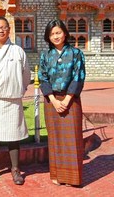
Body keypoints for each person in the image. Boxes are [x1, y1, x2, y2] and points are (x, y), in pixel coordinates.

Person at [0, 16, 31, 185]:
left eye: (4, 27)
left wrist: (20, 89)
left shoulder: (18, 51)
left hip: (13, 99)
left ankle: (16, 169)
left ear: (9, 29)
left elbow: (26, 75)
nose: (1, 30)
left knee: (13, 136)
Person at [38, 19, 86, 187]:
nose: (56, 36)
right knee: (55, 139)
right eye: (52, 34)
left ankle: (73, 178)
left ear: (65, 33)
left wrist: (66, 100)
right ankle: (57, 174)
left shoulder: (76, 53)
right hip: (51, 101)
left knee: (72, 139)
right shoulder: (45, 55)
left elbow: (78, 77)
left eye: (58, 32)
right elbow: (42, 78)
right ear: (48, 37)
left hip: (71, 101)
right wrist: (53, 100)